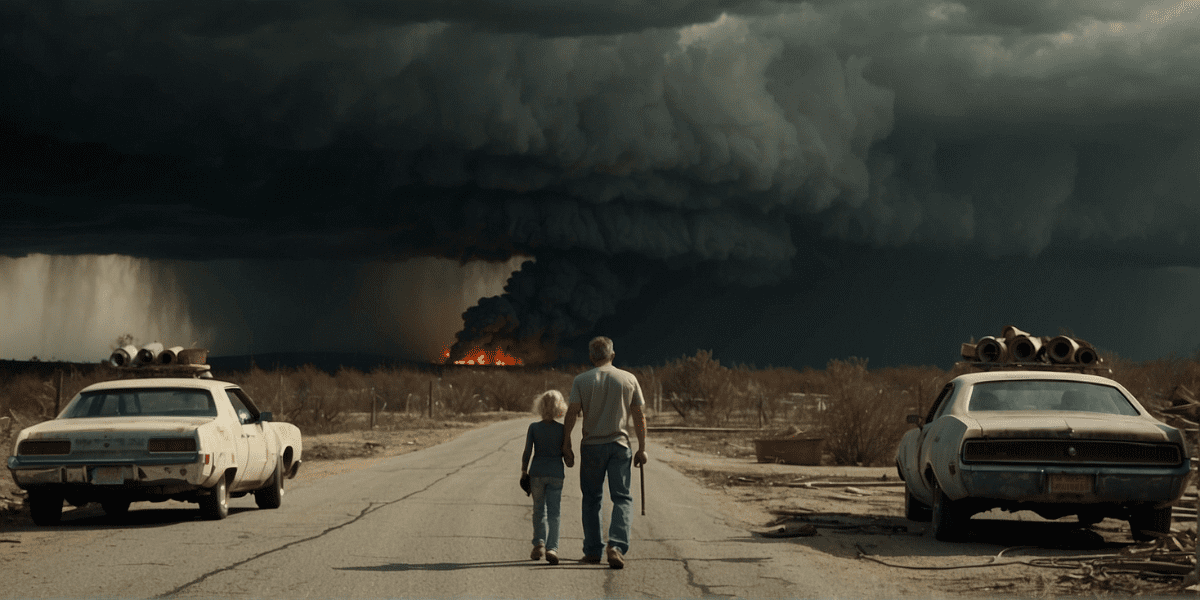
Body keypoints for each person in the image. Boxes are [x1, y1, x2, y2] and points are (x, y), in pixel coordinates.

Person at [561, 336, 648, 569]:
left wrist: (566, 442)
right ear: (612, 355)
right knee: (622, 498)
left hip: (591, 447)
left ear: (591, 357)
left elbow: (572, 413)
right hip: (620, 446)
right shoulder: (628, 379)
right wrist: (642, 448)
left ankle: (592, 551)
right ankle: (617, 546)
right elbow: (639, 414)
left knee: (591, 499)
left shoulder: (582, 380)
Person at [521, 390, 568, 565]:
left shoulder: (534, 427)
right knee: (554, 513)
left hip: (537, 473)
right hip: (556, 473)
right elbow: (566, 453)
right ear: (559, 407)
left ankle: (538, 543)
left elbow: (527, 452)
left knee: (538, 510)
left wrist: (524, 471)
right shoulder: (562, 429)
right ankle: (552, 548)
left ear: (540, 406)